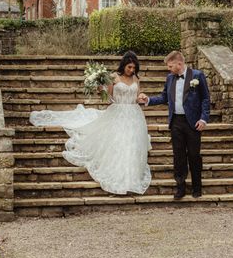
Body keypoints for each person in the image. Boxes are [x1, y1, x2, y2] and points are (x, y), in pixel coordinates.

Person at [29, 51, 151, 195]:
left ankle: (132, 177)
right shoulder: (113, 77)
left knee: (132, 144)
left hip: (134, 115)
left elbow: (137, 97)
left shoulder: (136, 78)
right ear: (124, 65)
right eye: (129, 67)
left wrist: (142, 97)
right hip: (117, 113)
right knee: (119, 144)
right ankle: (119, 177)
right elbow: (109, 99)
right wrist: (101, 90)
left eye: (134, 68)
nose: (132, 70)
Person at [138, 51, 210, 199]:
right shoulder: (170, 78)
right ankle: (180, 187)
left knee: (194, 155)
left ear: (179, 63)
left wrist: (203, 119)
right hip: (176, 121)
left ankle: (197, 187)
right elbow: (164, 97)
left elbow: (205, 99)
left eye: (170, 66)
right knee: (178, 156)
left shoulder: (197, 75)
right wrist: (148, 100)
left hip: (193, 122)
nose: (168, 69)